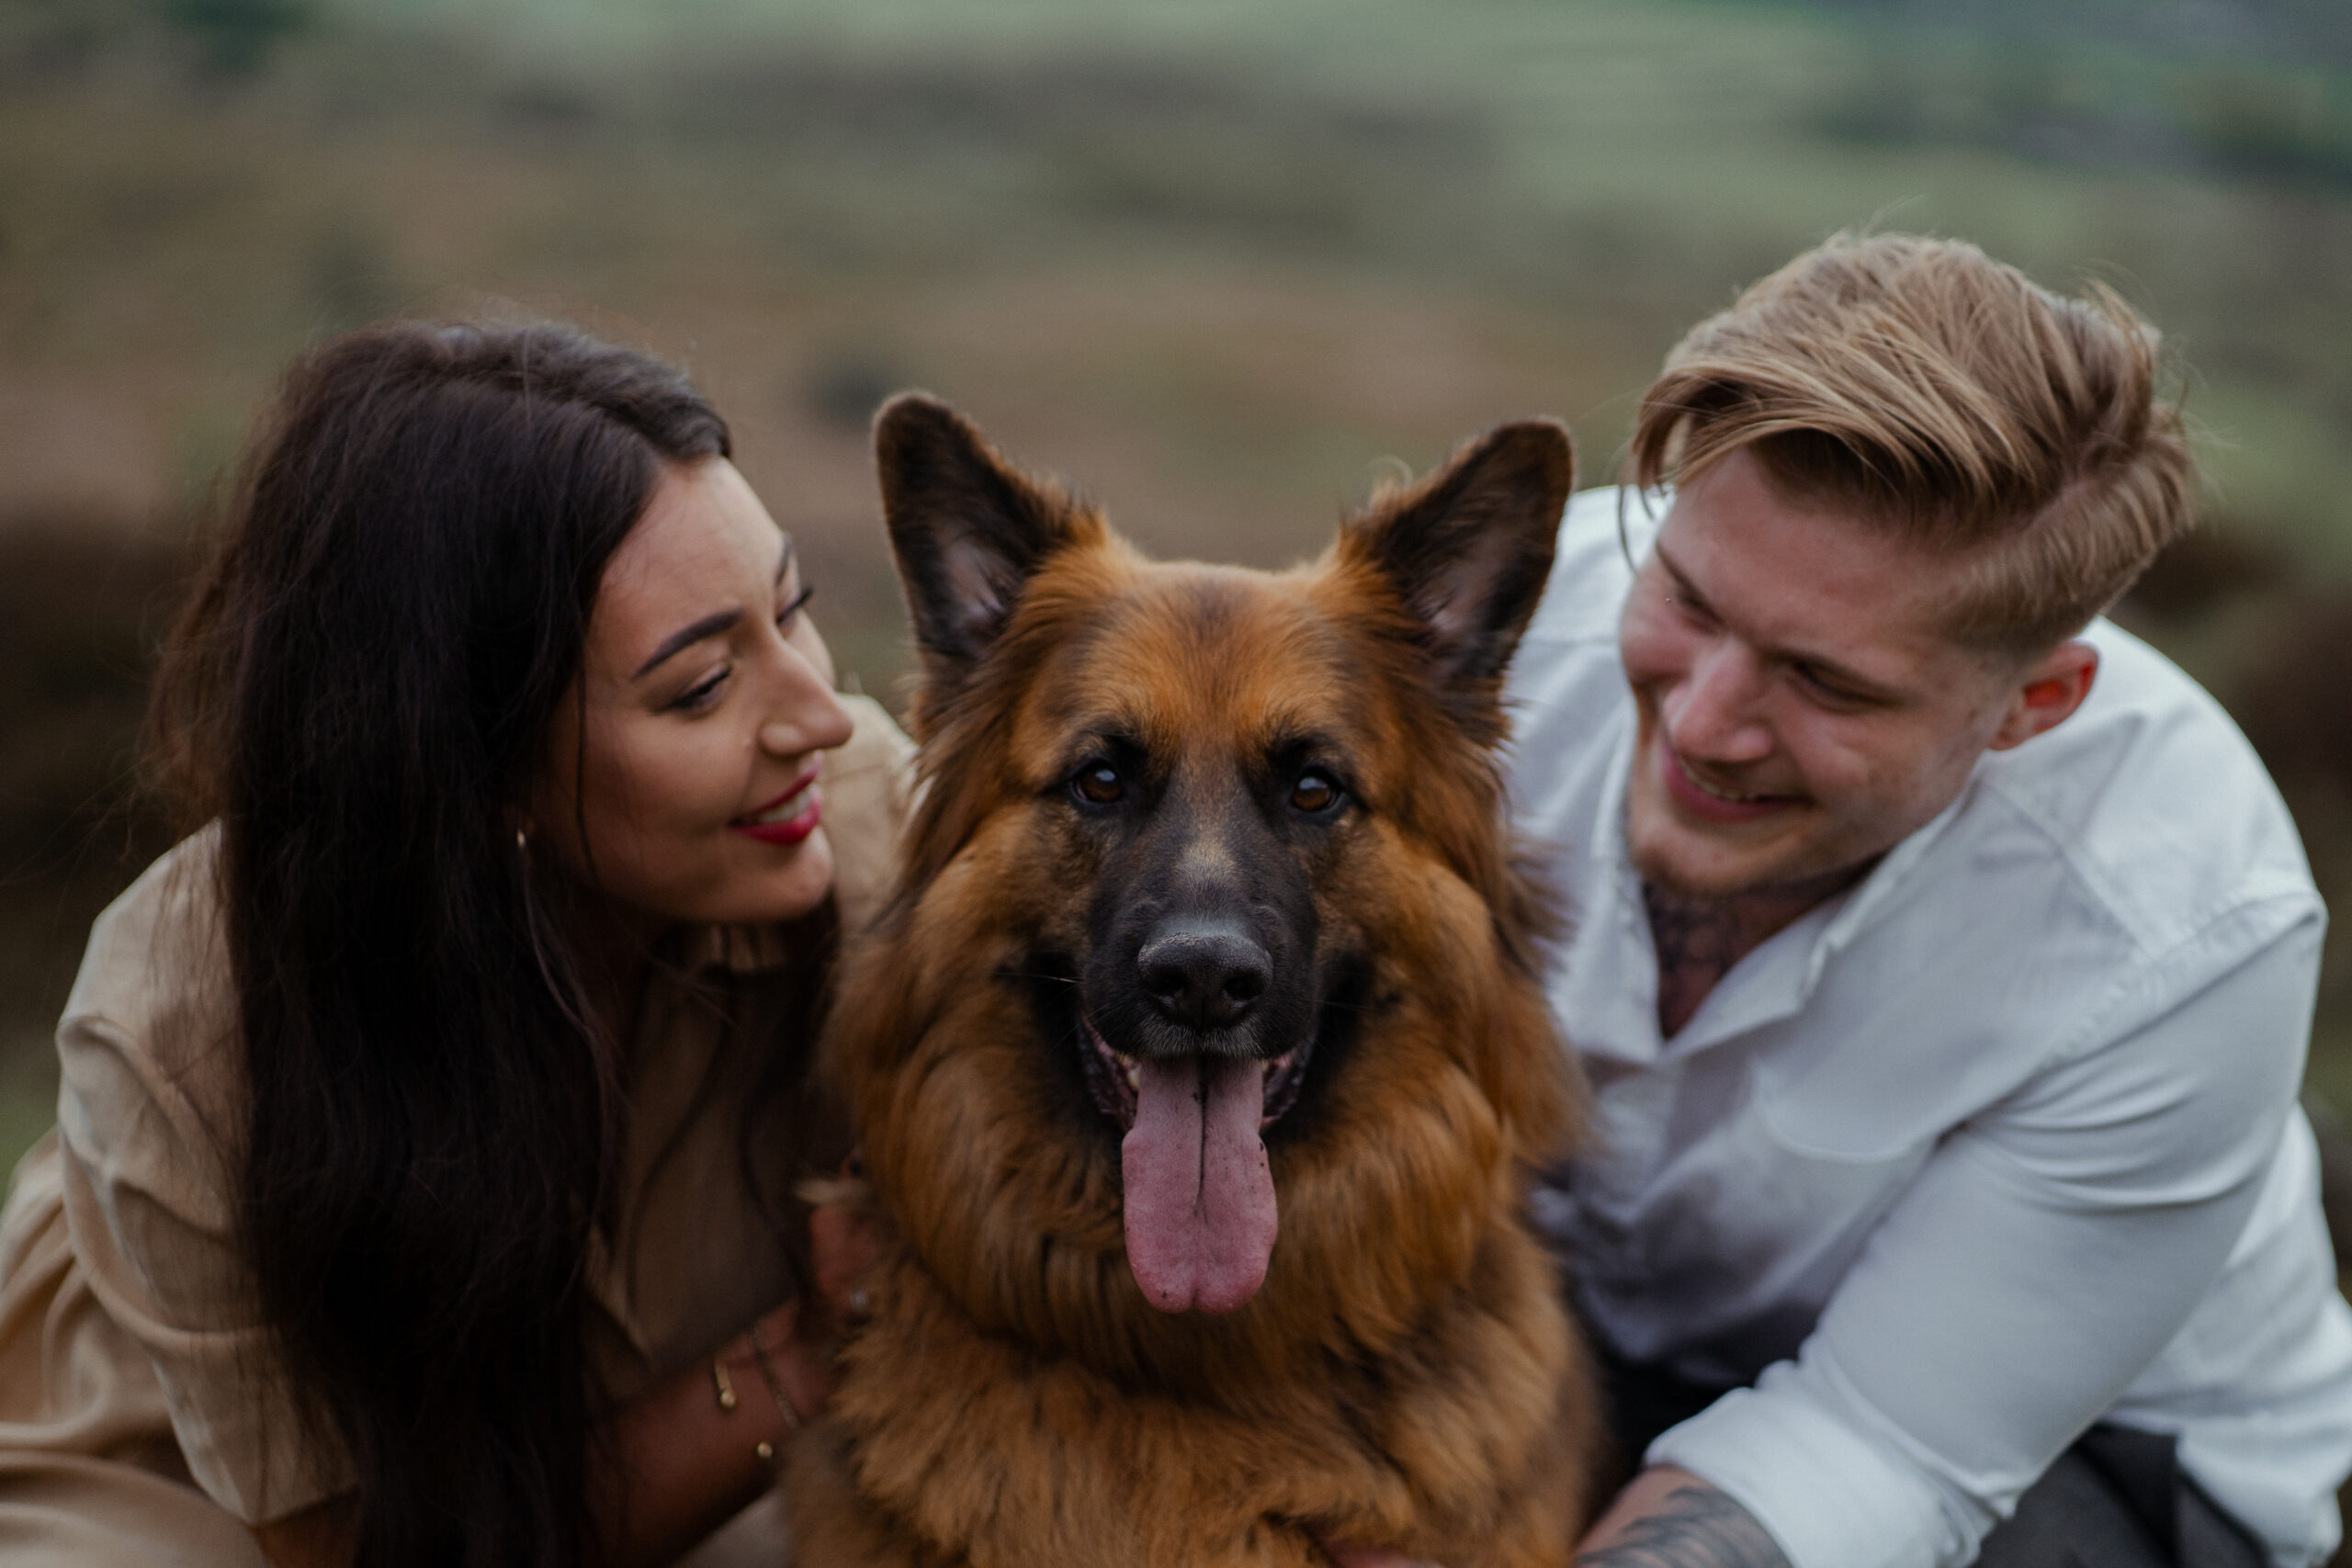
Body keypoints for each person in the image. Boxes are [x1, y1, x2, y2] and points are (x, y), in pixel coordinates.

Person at [1501, 234, 2352, 1567]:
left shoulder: (2189, 927)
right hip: (1588, 1348)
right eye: (1685, 594)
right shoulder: (1505, 641)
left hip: (2089, 1466)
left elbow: (1880, 1456)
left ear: (2033, 705)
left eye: (1826, 684)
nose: (1706, 722)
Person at [0, 321, 910, 1566]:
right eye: (701, 688)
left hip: (682, 1440)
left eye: (791, 613)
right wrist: (800, 1356)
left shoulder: (879, 838)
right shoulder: (181, 1029)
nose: (820, 715)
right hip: (200, 1476)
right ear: (487, 776)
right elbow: (357, 1549)